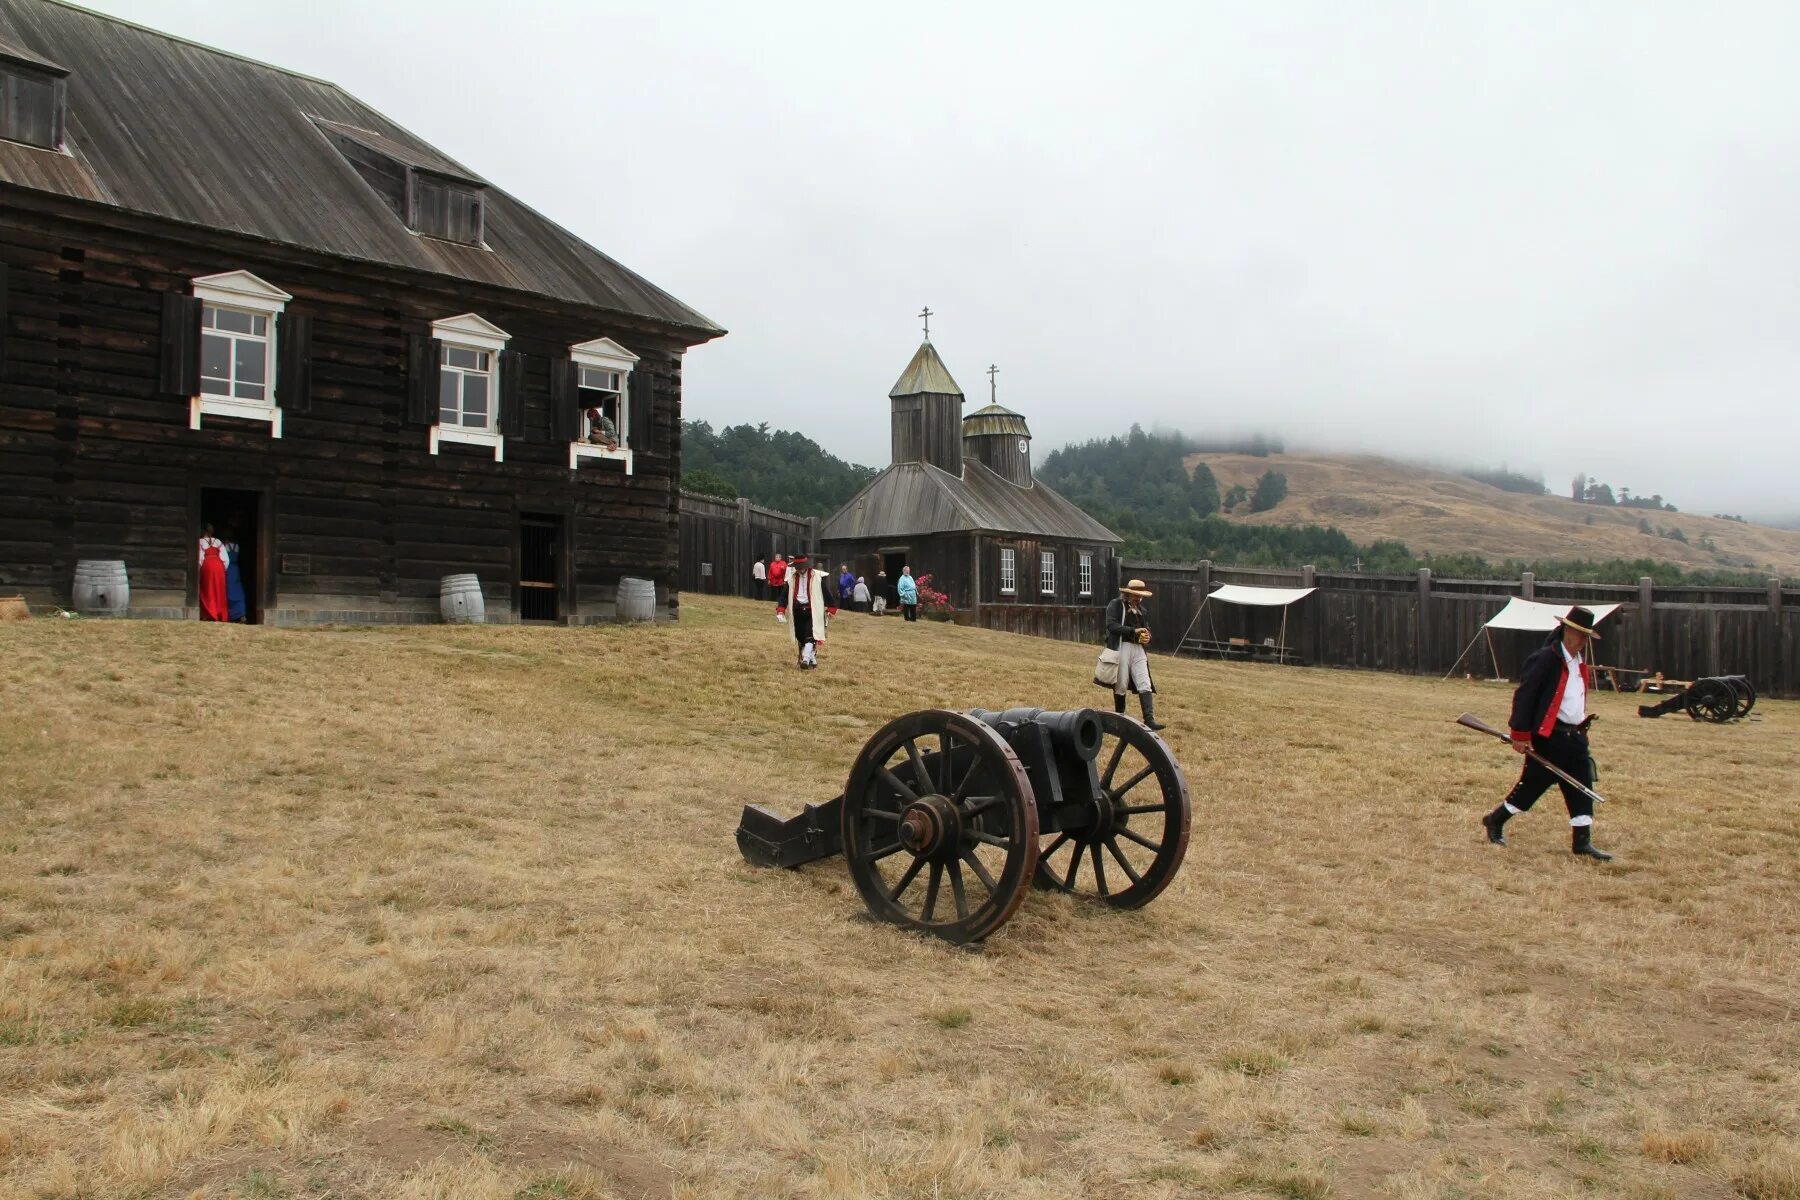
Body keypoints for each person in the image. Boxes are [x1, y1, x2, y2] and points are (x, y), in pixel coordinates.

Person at [1481, 606, 1613, 860]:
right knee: (1532, 787)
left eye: (1586, 636)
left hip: (1574, 738)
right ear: (1567, 631)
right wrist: (1520, 734)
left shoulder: (1578, 662)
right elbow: (1525, 697)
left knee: (1582, 787)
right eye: (1580, 635)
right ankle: (1495, 820)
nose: (1583, 641)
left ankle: (1582, 842)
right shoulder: (1545, 659)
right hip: (1549, 737)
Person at [1105, 578, 1164, 730]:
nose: (1137, 598)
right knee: (1121, 683)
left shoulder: (1143, 611)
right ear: (1128, 593)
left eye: (1139, 596)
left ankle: (1149, 720)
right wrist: (1132, 631)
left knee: (1145, 682)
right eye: (1135, 595)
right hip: (1122, 647)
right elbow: (1111, 625)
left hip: (1138, 649)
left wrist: (1148, 636)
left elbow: (1146, 628)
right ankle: (1120, 718)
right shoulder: (1116, 605)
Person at [778, 553, 837, 668]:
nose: (798, 568)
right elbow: (784, 596)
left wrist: (831, 607)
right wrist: (781, 609)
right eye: (796, 566)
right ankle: (812, 658)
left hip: (812, 610)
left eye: (800, 566)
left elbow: (826, 592)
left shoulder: (817, 577)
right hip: (797, 610)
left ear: (806, 565)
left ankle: (805, 659)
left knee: (810, 634)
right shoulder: (791, 579)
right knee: (800, 635)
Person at [197, 524, 229, 622]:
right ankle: (219, 613)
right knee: (219, 589)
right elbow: (226, 558)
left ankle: (209, 613)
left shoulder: (200, 541)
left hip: (207, 565)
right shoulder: (218, 541)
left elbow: (200, 557)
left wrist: (199, 569)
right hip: (219, 566)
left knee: (207, 589)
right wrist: (223, 569)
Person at [223, 532, 247, 622]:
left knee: (228, 591)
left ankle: (229, 614)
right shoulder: (237, 546)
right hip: (236, 569)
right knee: (237, 591)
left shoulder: (224, 546)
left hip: (228, 569)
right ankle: (241, 614)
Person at [767, 553, 788, 621]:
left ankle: (779, 602)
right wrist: (769, 579)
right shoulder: (772, 564)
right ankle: (773, 601)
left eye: (779, 557)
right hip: (773, 580)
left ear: (780, 558)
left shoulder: (784, 563)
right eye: (776, 557)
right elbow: (770, 572)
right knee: (773, 591)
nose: (777, 558)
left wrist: (785, 579)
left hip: (781, 581)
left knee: (781, 592)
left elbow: (786, 572)